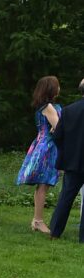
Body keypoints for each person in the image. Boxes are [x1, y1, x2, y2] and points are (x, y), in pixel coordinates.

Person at [16, 76, 61, 233]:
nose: (59, 88)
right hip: (47, 147)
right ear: (51, 89)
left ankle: (37, 220)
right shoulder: (48, 107)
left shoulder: (44, 106)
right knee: (43, 184)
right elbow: (59, 127)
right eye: (57, 86)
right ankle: (38, 221)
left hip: (42, 144)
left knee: (43, 184)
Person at [49, 78, 84, 242]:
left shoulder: (69, 110)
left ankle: (55, 232)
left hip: (73, 162)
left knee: (66, 197)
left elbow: (57, 136)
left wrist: (67, 153)